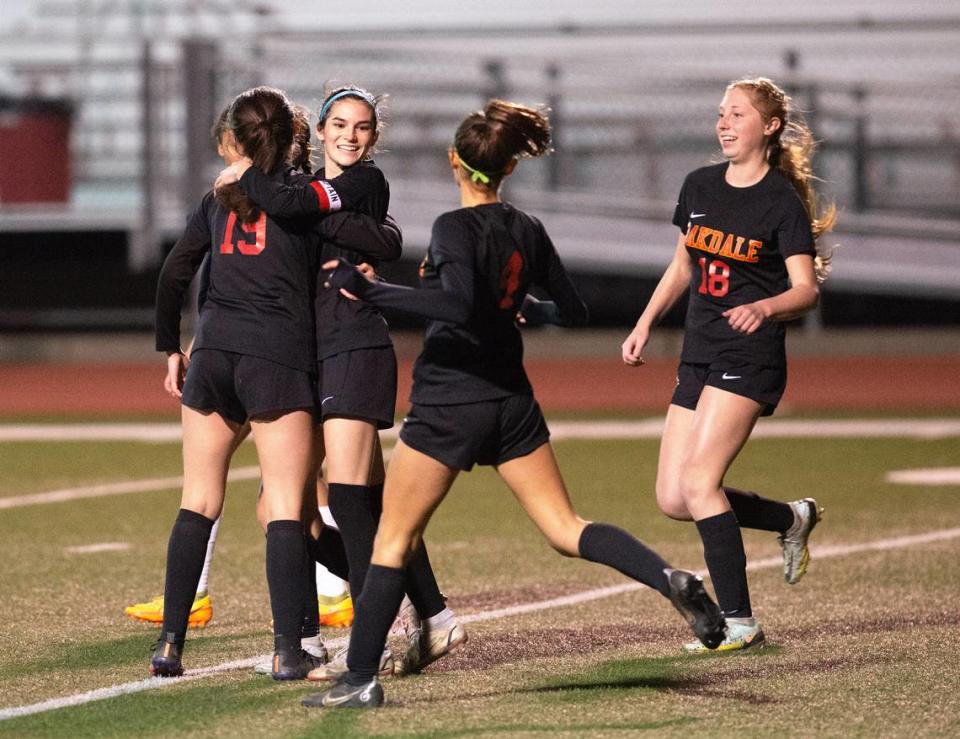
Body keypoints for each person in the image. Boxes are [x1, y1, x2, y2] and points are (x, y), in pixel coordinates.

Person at [300, 99, 727, 710]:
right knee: (565, 527)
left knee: (391, 540)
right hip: (511, 398)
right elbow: (573, 311)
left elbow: (455, 305)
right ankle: (667, 577)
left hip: (451, 398)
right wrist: (526, 307)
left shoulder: (452, 227)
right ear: (506, 168)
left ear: (456, 161)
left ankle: (359, 678)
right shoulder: (527, 228)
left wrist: (374, 290)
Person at [217, 85, 461, 680]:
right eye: (341, 125)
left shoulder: (358, 184)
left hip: (355, 345)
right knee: (298, 508)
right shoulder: (305, 189)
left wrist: (244, 173)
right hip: (314, 356)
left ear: (373, 137)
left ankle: (368, 641)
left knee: (350, 499)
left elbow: (368, 231)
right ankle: (428, 612)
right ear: (320, 132)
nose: (351, 135)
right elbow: (350, 231)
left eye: (363, 127)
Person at [151, 86, 387, 681]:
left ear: (237, 139)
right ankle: (290, 650)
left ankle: (170, 645)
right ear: (293, 138)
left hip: (213, 356)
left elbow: (174, 274)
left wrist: (170, 348)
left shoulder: (218, 197)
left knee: (198, 500)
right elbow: (372, 240)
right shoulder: (303, 202)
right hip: (277, 359)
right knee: (286, 506)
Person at [621, 76, 836, 653]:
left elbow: (804, 290)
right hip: (699, 350)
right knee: (673, 499)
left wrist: (764, 307)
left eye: (737, 114)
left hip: (750, 355)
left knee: (699, 482)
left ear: (768, 127)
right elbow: (682, 266)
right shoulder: (698, 185)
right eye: (721, 113)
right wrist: (645, 322)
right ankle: (789, 519)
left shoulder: (779, 203)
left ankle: (739, 621)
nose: (723, 122)